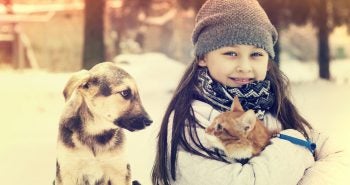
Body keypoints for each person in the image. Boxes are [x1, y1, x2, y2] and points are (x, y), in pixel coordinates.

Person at [151, 0, 348, 185]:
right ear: (203, 57)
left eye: (256, 54)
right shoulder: (190, 121)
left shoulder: (273, 106)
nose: (245, 67)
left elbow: (340, 157)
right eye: (231, 53)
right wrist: (295, 146)